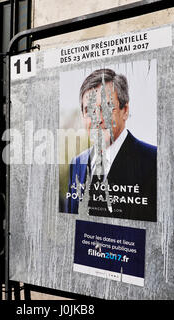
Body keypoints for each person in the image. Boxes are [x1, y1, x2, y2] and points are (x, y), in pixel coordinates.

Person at [64, 68, 157, 221]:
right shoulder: (77, 163)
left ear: (125, 110)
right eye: (90, 110)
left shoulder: (153, 161)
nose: (98, 119)